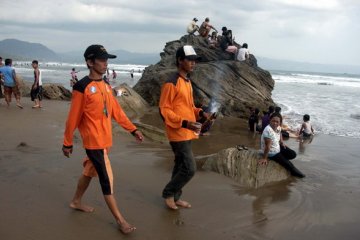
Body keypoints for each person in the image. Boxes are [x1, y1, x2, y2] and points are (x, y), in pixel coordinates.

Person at [62, 44, 144, 234]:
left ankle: (76, 201)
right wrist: (67, 142)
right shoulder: (81, 87)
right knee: (106, 181)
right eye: (101, 59)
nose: (105, 63)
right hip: (94, 143)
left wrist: (133, 129)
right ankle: (120, 220)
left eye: (107, 59)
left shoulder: (106, 85)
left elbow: (117, 112)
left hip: (105, 141)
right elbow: (72, 118)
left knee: (89, 172)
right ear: (90, 62)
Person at [159, 45, 209, 210]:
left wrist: (201, 113)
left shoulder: (186, 81)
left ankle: (175, 197)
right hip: (177, 132)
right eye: (190, 60)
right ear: (180, 60)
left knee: (180, 166)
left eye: (195, 60)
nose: (193, 63)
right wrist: (185, 123)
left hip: (187, 132)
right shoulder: (171, 82)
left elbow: (188, 106)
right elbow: (164, 110)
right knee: (190, 168)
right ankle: (168, 193)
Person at [258, 112, 305, 178]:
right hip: (271, 152)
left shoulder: (278, 127)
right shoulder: (268, 131)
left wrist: (282, 142)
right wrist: (264, 158)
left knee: (293, 154)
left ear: (280, 122)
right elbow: (268, 146)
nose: (275, 123)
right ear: (270, 120)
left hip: (277, 146)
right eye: (273, 121)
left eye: (277, 122)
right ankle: (301, 176)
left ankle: (282, 157)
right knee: (290, 165)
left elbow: (280, 133)